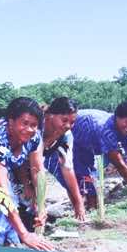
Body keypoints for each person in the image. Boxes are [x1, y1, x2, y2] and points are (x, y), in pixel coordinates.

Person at [0, 98, 54, 250]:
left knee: (10, 220)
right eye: (24, 123)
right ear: (11, 121)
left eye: (34, 125)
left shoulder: (34, 137)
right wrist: (24, 234)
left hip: (2, 176)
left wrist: (40, 205)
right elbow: (1, 191)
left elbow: (38, 171)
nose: (29, 129)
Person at [70, 102, 127, 202]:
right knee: (83, 183)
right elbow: (120, 165)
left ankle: (88, 200)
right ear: (118, 116)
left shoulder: (122, 129)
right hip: (73, 140)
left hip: (87, 145)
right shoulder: (106, 130)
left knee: (90, 184)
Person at [37, 97, 88, 228]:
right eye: (64, 120)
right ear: (49, 116)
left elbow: (67, 168)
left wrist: (78, 203)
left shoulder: (66, 136)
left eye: (72, 122)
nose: (68, 126)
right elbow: (32, 166)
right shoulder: (35, 128)